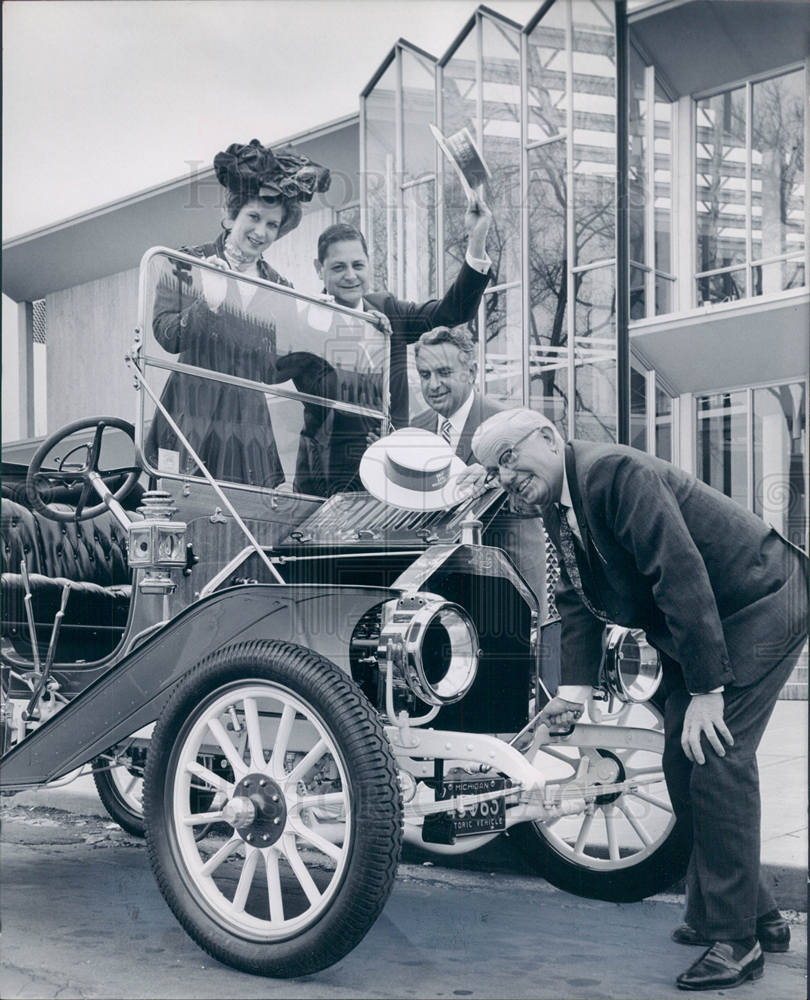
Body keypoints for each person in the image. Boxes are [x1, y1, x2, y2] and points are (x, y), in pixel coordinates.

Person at [470, 407, 807, 993]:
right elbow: (576, 596)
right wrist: (572, 695)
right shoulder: (560, 498)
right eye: (492, 473)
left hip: (759, 603)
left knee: (717, 759)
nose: (504, 478)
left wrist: (706, 690)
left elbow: (679, 573)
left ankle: (736, 940)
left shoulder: (615, 473)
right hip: (706, 622)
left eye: (507, 460)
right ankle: (760, 916)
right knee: (682, 760)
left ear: (548, 438)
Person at [145, 139, 330, 488]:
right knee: (179, 516)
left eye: (272, 225)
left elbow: (272, 370)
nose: (261, 232)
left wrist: (317, 334)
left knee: (243, 522)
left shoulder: (280, 286)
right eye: (254, 217)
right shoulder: (186, 262)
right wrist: (207, 306)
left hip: (248, 425)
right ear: (231, 214)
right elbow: (167, 336)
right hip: (190, 412)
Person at [411, 326, 502, 460]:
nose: (433, 385)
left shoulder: (502, 424)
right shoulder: (417, 426)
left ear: (471, 372)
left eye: (444, 373)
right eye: (425, 375)